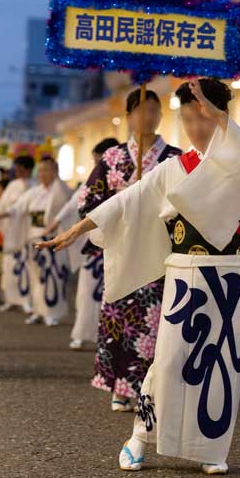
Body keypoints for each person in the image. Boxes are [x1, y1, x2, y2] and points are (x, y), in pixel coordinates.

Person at [37, 78, 240, 475]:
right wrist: (78, 229)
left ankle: (209, 448)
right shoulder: (174, 168)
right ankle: (140, 435)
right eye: (189, 118)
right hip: (186, 274)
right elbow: (128, 200)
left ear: (222, 118)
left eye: (205, 117)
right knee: (170, 359)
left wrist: (221, 117)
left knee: (222, 364)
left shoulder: (239, 159)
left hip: (233, 274)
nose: (196, 126)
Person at [77, 90, 181, 411]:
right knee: (119, 316)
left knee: (154, 322)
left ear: (161, 115)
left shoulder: (174, 159)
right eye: (140, 111)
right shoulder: (112, 159)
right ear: (129, 116)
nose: (147, 117)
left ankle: (147, 390)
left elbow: (186, 201)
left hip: (158, 249)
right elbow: (88, 201)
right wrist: (119, 209)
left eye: (153, 110)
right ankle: (119, 387)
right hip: (122, 247)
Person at [44, 138, 120, 350]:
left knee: (115, 296)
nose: (97, 167)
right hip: (94, 246)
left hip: (118, 246)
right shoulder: (95, 181)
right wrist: (57, 224)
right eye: (96, 162)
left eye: (100, 162)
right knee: (86, 292)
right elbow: (73, 204)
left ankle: (108, 338)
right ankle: (82, 332)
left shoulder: (123, 182)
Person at [0, 157, 72, 326]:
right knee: (35, 276)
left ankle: (52, 312)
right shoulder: (34, 192)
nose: (43, 174)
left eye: (47, 170)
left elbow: (68, 209)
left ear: (55, 171)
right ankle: (38, 310)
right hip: (34, 238)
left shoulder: (60, 190)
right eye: (41, 170)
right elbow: (17, 208)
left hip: (53, 240)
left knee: (53, 276)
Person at [0, 155, 35, 314]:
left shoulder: (36, 185)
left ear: (28, 169)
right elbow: (2, 206)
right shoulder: (12, 185)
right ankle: (11, 299)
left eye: (19, 168)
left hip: (27, 229)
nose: (16, 171)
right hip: (11, 228)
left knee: (27, 265)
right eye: (16, 168)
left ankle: (26, 300)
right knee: (9, 264)